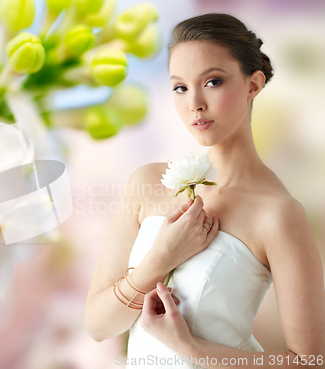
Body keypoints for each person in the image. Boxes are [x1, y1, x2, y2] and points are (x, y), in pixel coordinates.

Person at [84, 13, 325, 368]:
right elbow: (97, 326)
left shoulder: (278, 214)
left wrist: (192, 349)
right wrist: (159, 258)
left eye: (212, 81)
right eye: (180, 87)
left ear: (253, 85)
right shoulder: (149, 184)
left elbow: (311, 361)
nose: (194, 102)